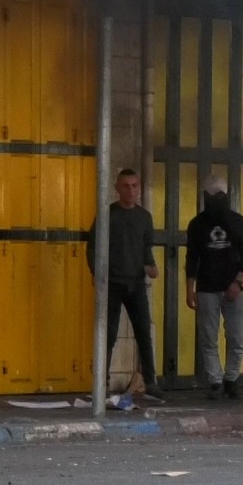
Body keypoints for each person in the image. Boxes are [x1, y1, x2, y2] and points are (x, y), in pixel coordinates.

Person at [86, 168, 166, 400]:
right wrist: (96, 272)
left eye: (134, 186)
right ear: (117, 189)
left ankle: (150, 381)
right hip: (112, 283)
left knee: (144, 333)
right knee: (108, 335)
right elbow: (92, 247)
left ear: (139, 188)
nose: (131, 191)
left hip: (136, 284)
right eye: (126, 186)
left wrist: (150, 267)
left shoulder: (144, 217)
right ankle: (102, 384)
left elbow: (145, 250)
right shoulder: (108, 215)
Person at [185, 173, 243, 400]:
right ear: (206, 196)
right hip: (207, 289)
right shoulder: (196, 225)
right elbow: (192, 258)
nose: (218, 199)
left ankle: (231, 379)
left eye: (221, 195)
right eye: (214, 195)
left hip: (232, 288)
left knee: (236, 336)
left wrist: (237, 281)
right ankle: (215, 381)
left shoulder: (238, 222)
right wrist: (189, 289)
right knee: (208, 337)